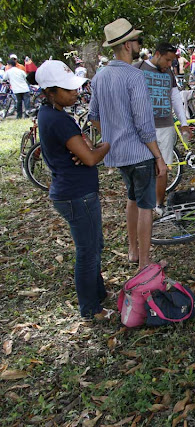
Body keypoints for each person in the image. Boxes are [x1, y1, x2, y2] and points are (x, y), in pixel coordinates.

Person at [28, 60, 112, 320]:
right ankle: (90, 309)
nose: (75, 93)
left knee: (95, 245)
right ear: (49, 92)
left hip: (74, 191)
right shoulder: (58, 120)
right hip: (76, 195)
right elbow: (88, 157)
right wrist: (106, 145)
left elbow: (83, 149)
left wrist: (86, 149)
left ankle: (98, 292)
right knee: (87, 252)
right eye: (67, 90)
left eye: (74, 88)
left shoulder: (50, 114)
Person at [88, 18, 167, 269]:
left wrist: (113, 134)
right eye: (136, 41)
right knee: (146, 206)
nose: (138, 45)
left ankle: (133, 250)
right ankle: (144, 263)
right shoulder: (134, 76)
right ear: (126, 45)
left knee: (132, 198)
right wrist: (158, 156)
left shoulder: (100, 77)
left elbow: (94, 117)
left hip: (117, 153)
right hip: (139, 153)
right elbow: (144, 124)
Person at [133, 42, 191, 215]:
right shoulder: (138, 69)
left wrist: (184, 122)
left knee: (163, 168)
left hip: (165, 126)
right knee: (143, 168)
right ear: (157, 54)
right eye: (167, 60)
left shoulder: (169, 73)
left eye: (171, 62)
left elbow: (175, 98)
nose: (169, 65)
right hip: (143, 128)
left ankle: (158, 204)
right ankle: (142, 204)